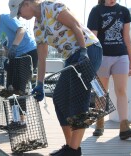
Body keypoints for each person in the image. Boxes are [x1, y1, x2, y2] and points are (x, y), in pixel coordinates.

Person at [9, 0, 103, 155]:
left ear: (25, 4)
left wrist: (83, 50)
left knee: (79, 100)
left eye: (19, 13)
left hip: (88, 49)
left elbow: (75, 25)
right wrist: (39, 83)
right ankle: (69, 146)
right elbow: (42, 57)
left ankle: (74, 150)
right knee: (59, 98)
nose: (20, 17)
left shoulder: (51, 7)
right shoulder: (37, 27)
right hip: (71, 56)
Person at [0, 3, 38, 126]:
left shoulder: (6, 18)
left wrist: (15, 46)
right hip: (15, 56)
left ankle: (22, 121)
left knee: (19, 88)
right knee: (10, 88)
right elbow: (6, 44)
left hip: (27, 53)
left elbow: (21, 30)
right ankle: (15, 119)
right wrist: (7, 57)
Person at [87, 0, 131, 139]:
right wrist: (91, 59)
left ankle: (124, 127)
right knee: (101, 92)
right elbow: (92, 38)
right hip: (102, 57)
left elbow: (127, 38)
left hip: (121, 56)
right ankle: (100, 123)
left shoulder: (124, 11)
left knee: (121, 90)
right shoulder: (96, 10)